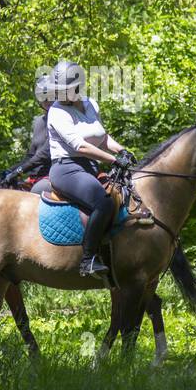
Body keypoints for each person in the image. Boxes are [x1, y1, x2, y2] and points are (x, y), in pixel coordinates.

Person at [44, 60, 135, 277]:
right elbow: (81, 146)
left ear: (77, 87)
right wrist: (114, 161)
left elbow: (101, 138)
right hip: (67, 168)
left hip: (89, 165)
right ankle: (88, 260)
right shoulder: (57, 112)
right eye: (57, 91)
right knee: (102, 203)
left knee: (125, 194)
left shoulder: (90, 103)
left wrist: (122, 151)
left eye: (64, 90)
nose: (59, 95)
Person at [0, 74, 55, 194]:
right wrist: (10, 170)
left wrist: (19, 171)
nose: (47, 100)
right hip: (34, 176)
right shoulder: (39, 122)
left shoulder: (60, 119)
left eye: (50, 96)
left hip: (53, 175)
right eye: (43, 96)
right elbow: (31, 155)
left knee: (36, 191)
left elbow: (44, 155)